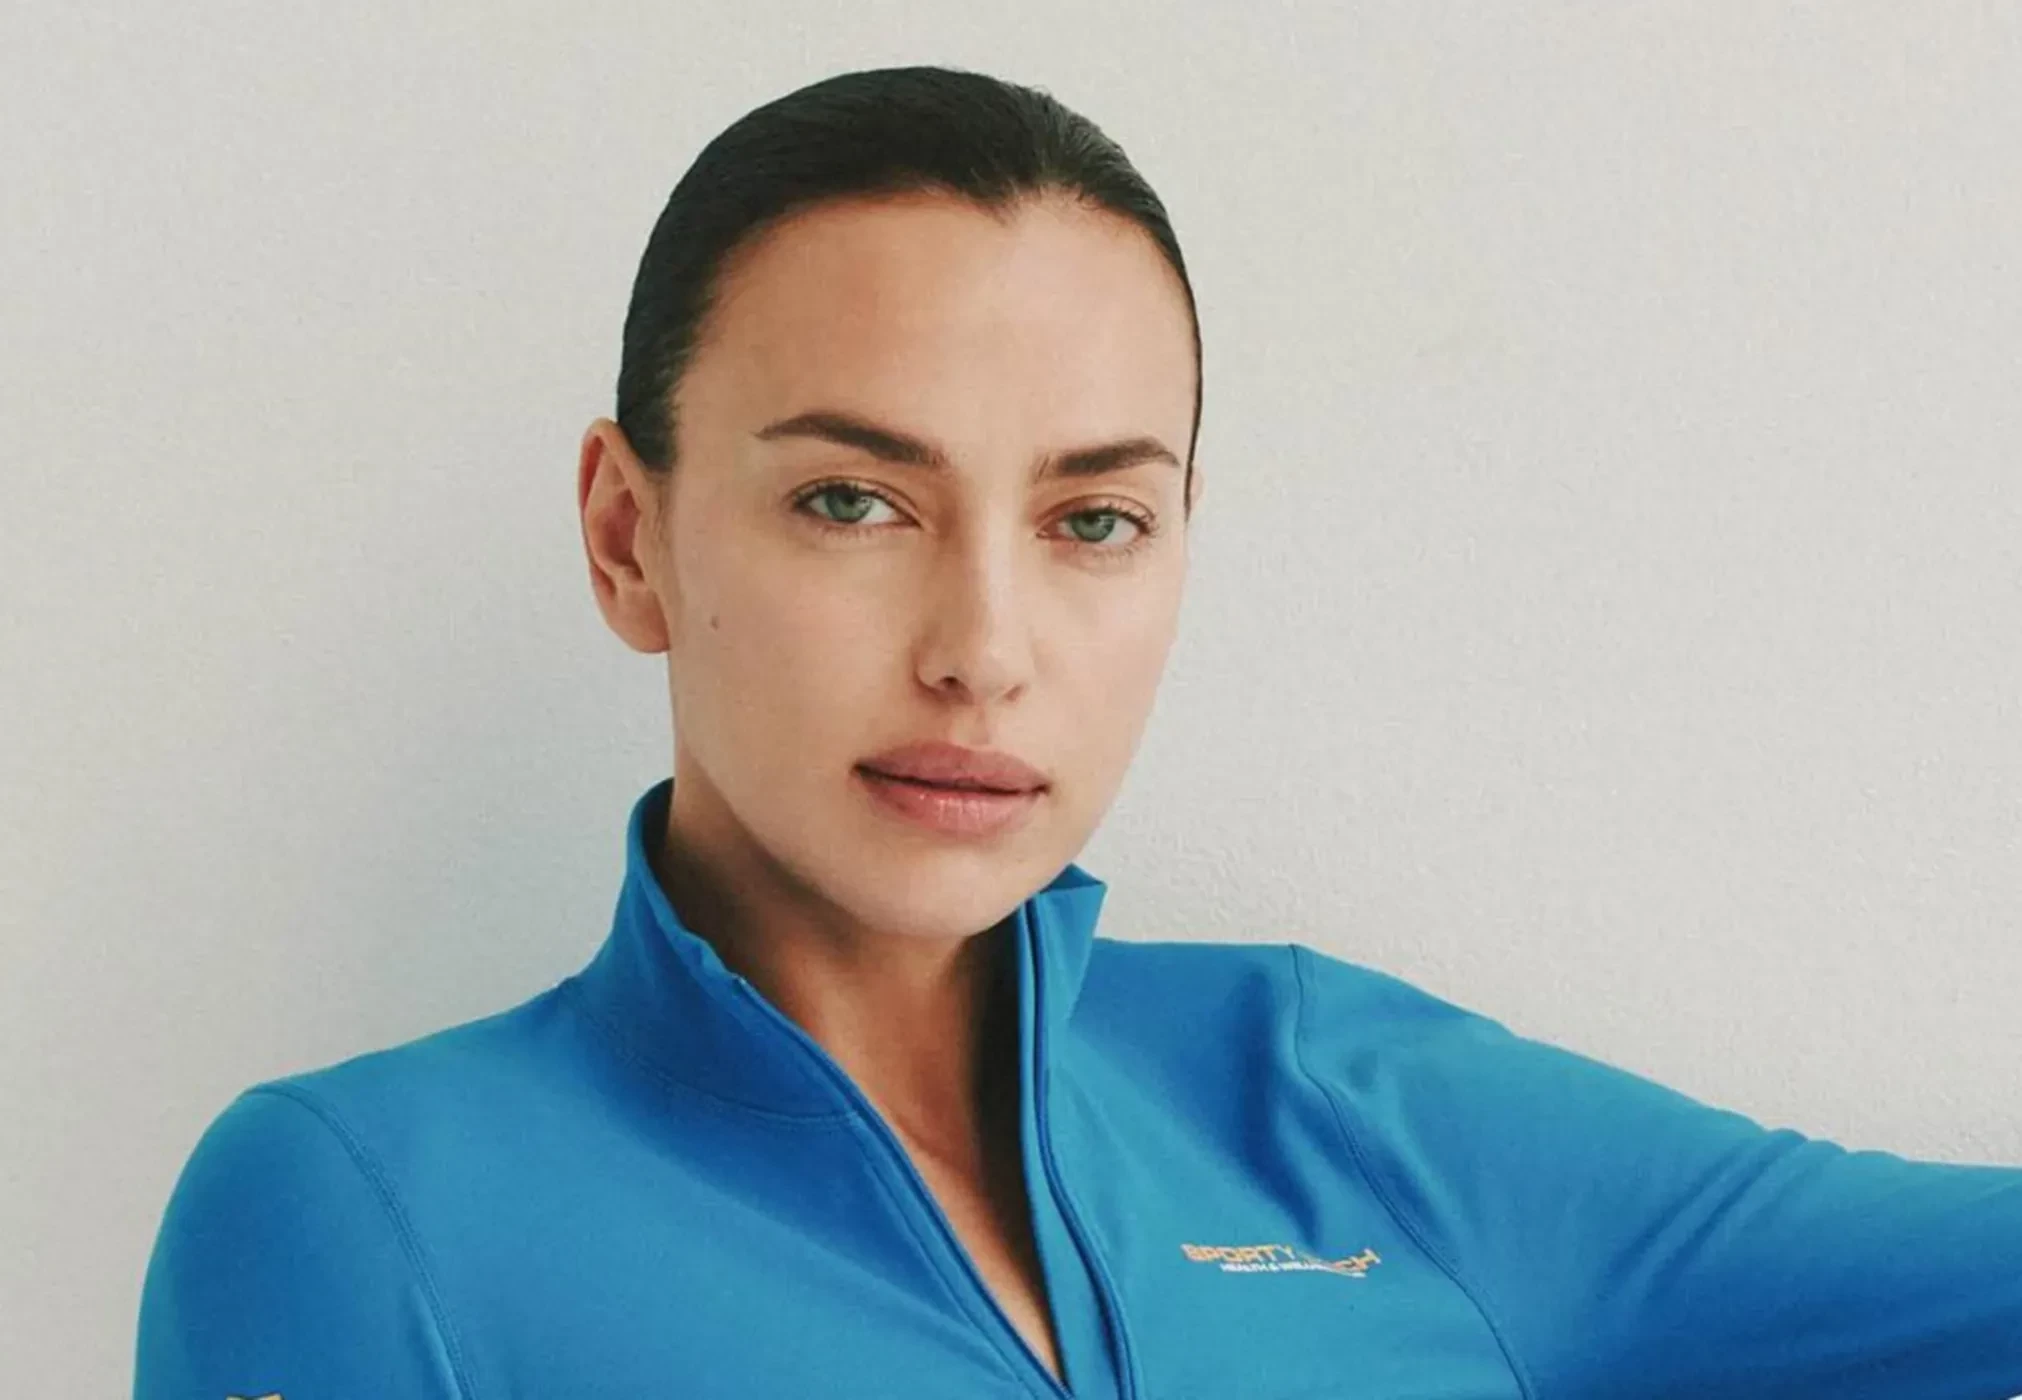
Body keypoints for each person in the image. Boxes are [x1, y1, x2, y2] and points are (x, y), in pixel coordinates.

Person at [134, 64, 2022, 1400]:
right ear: (630, 538)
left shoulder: (1341, 1104)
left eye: (1094, 520)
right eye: (854, 502)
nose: (983, 652)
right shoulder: (365, 1208)